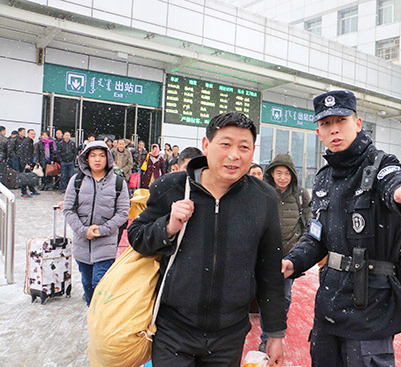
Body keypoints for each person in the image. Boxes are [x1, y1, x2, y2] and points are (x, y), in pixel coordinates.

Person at [127, 112, 286, 367]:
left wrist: (276, 333)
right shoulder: (172, 187)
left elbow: (269, 270)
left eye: (243, 147)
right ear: (206, 145)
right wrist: (167, 226)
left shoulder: (263, 198)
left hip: (229, 335)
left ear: (253, 151)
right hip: (173, 330)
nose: (234, 155)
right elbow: (137, 236)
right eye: (225, 144)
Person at [281, 90, 401, 367]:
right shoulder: (323, 179)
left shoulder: (381, 164)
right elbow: (316, 237)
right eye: (326, 124)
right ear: (318, 131)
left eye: (341, 120)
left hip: (370, 304)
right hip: (329, 304)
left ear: (357, 124)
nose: (334, 129)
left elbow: (395, 180)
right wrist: (292, 261)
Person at [63, 141, 130, 306]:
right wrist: (83, 230)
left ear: (108, 158)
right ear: (86, 158)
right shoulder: (76, 181)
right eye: (93, 155)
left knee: (100, 283)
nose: (97, 159)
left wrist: (103, 230)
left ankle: (99, 316)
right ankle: (92, 312)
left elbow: (123, 212)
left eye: (101, 155)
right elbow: (68, 210)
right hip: (82, 243)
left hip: (106, 243)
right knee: (87, 282)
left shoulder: (118, 183)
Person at [257, 154, 311, 352]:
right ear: (271, 173)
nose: (282, 177)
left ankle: (276, 331)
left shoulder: (300, 195)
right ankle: (266, 337)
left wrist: (299, 250)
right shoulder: (262, 193)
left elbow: (308, 223)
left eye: (287, 173)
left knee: (285, 297)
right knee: (267, 296)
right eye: (279, 173)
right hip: (266, 256)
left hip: (290, 256)